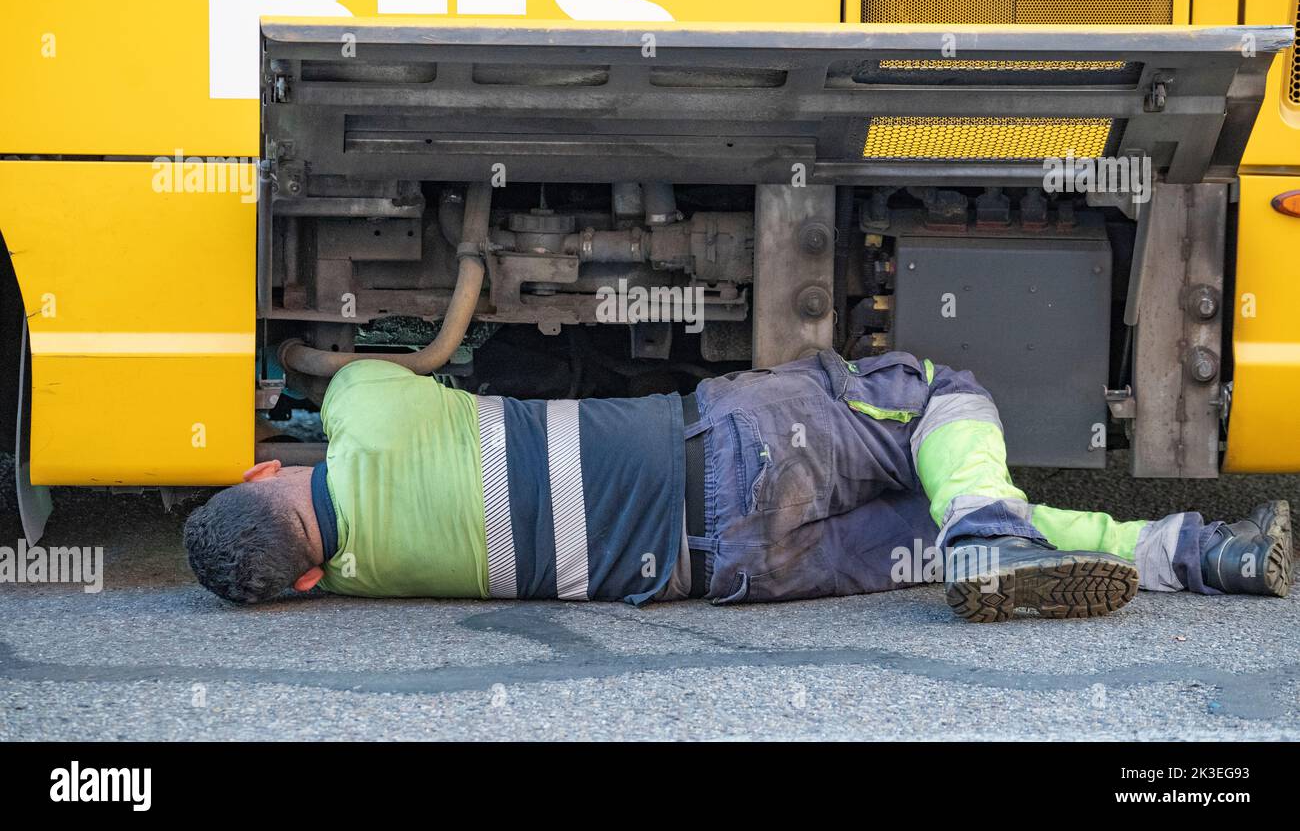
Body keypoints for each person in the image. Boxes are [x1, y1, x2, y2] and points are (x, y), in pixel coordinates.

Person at [184, 352, 1292, 620]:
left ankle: (1208, 555)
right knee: (933, 396)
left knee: (940, 510)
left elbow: (297, 557)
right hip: (736, 451)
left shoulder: (361, 582)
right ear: (262, 468)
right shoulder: (364, 411)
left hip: (741, 571)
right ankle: (992, 532)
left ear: (305, 580)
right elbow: (380, 365)